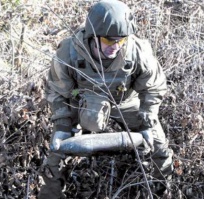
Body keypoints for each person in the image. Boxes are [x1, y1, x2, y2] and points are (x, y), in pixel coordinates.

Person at [38, 0, 173, 198]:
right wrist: (61, 126)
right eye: (110, 40)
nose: (116, 46)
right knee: (55, 156)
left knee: (159, 148)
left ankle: (162, 192)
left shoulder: (138, 51)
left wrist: (147, 122)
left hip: (125, 102)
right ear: (93, 36)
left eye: (121, 40)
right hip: (81, 101)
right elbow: (58, 91)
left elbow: (153, 88)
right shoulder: (69, 52)